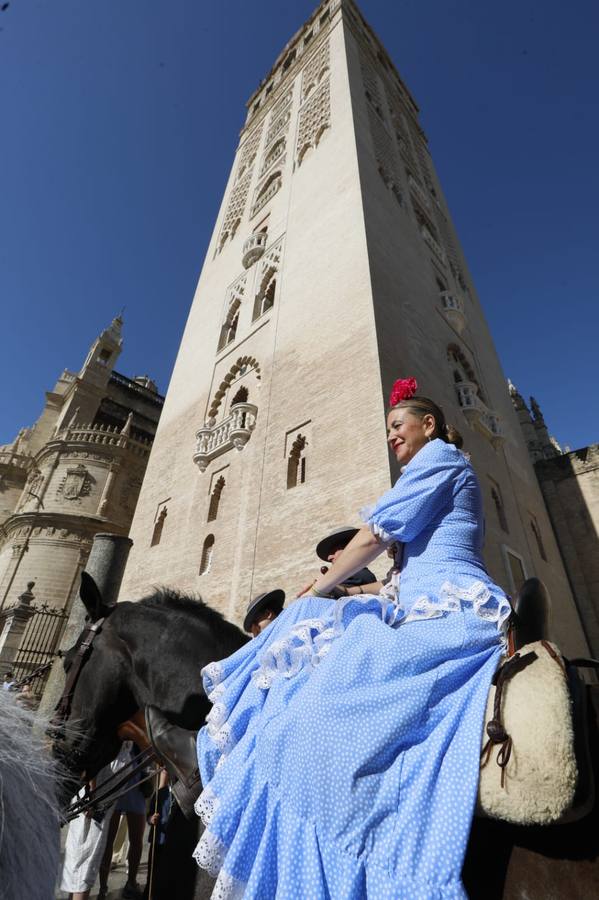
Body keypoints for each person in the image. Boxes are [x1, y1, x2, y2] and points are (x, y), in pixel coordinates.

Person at [192, 377, 511, 899]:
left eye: (397, 425)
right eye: (388, 428)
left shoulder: (440, 460)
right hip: (423, 606)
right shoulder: (440, 470)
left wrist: (318, 587)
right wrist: (364, 588)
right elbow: (400, 566)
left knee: (325, 678)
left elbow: (375, 534)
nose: (391, 436)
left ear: (427, 426)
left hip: (448, 611)